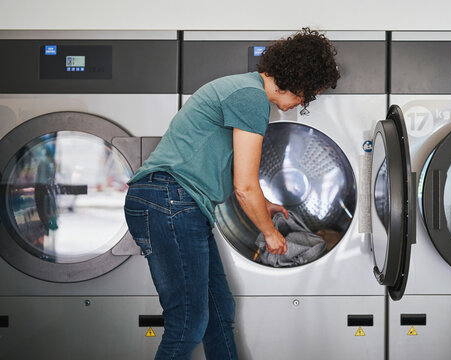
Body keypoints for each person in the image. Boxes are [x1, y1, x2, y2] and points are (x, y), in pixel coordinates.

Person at [123, 28, 340, 360]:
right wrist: (270, 234)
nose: (303, 103)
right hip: (170, 201)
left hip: (174, 203)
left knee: (218, 311)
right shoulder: (251, 97)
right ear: (299, 81)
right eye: (308, 94)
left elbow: (226, 167)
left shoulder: (243, 89)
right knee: (189, 323)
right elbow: (244, 187)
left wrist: (264, 205)